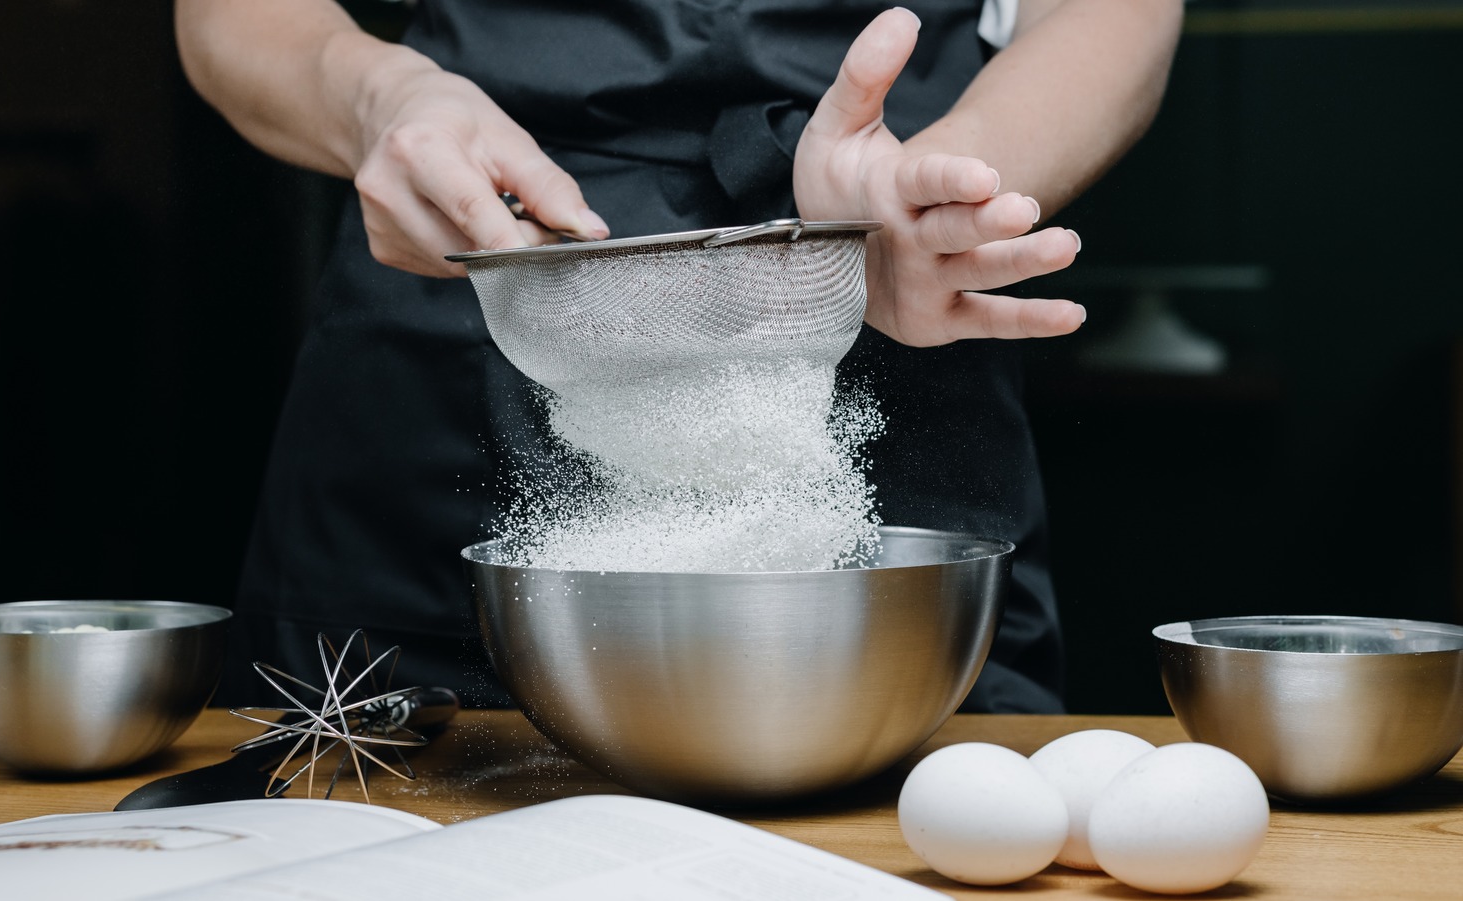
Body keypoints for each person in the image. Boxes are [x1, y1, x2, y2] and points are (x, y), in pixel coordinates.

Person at [175, 0, 1184, 711]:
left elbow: (1110, 11)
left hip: (868, 281)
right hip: (464, 297)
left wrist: (956, 184)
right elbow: (232, 15)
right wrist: (378, 104)